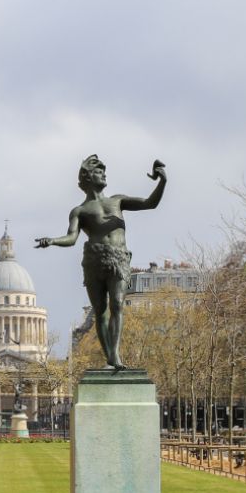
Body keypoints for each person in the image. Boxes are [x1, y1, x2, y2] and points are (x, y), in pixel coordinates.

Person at [35, 155, 166, 370]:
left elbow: (150, 203)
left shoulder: (117, 201)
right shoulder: (80, 211)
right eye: (98, 171)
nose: (104, 174)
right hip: (94, 260)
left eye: (104, 171)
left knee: (117, 304)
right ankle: (111, 358)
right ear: (86, 178)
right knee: (100, 311)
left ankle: (114, 356)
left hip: (118, 259)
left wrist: (162, 181)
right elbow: (71, 238)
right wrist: (52, 241)